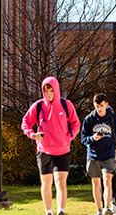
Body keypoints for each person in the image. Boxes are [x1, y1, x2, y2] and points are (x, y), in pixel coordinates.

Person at [21, 77, 81, 215]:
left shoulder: (66, 105)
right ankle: (48, 212)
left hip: (62, 150)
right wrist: (32, 135)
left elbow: (76, 124)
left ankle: (61, 211)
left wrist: (69, 137)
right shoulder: (38, 106)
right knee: (46, 183)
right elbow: (25, 122)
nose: (48, 94)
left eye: (51, 90)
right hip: (44, 151)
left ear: (56, 90)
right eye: (46, 91)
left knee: (60, 183)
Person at [81, 93, 116, 215]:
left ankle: (107, 207)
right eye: (97, 106)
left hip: (109, 155)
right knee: (96, 182)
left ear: (106, 104)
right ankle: (98, 209)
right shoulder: (89, 119)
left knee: (107, 180)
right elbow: (83, 138)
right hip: (93, 156)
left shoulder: (113, 118)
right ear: (94, 105)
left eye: (102, 105)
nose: (99, 109)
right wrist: (92, 138)